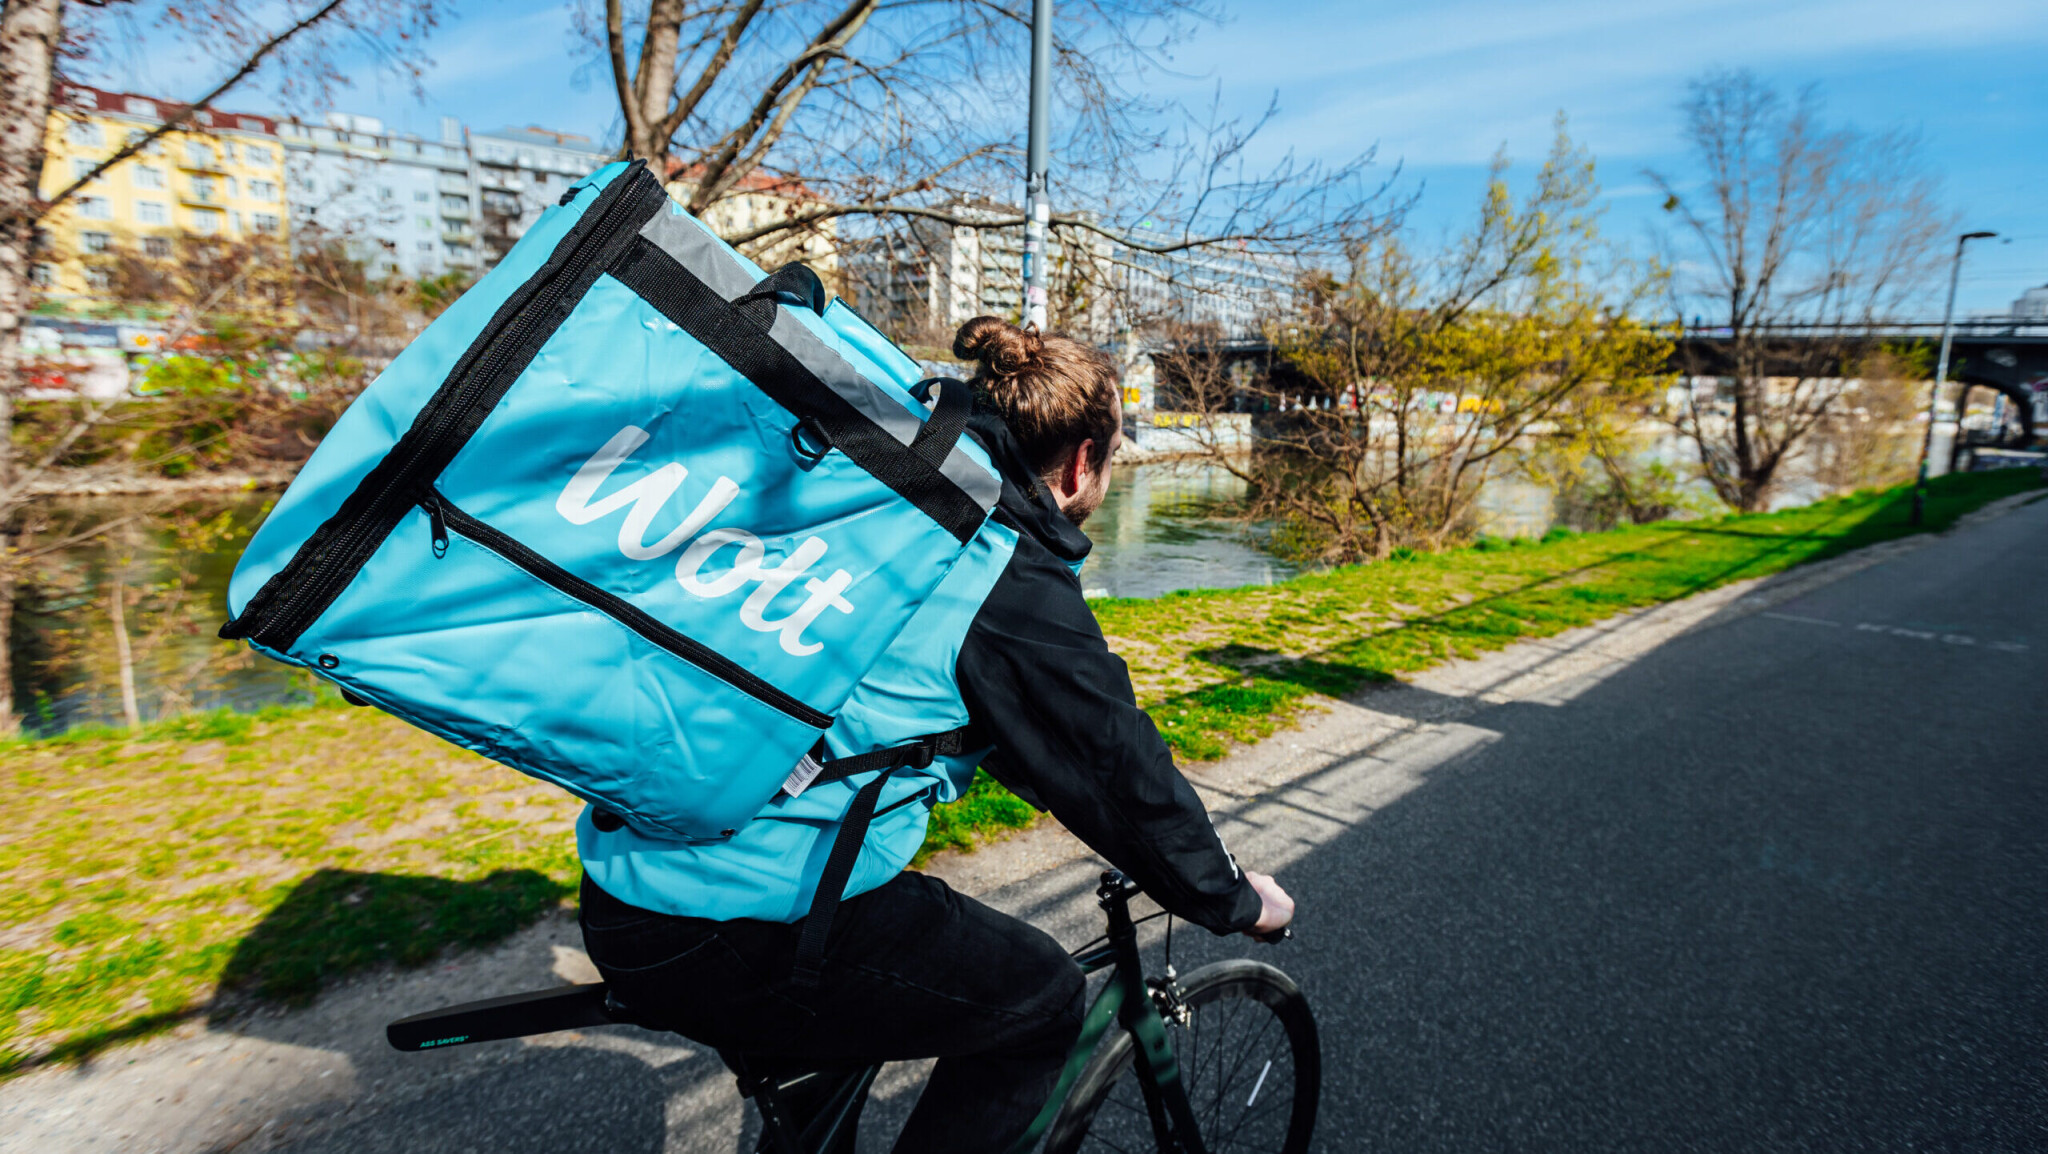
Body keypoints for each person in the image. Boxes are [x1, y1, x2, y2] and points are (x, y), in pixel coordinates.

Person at [577, 316, 1296, 1152]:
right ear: (1083, 462)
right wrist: (1235, 898)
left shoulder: (887, 498)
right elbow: (1115, 769)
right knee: (1047, 1004)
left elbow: (1016, 737)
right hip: (745, 926)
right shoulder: (1006, 577)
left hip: (630, 879)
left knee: (836, 1057)